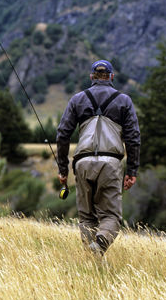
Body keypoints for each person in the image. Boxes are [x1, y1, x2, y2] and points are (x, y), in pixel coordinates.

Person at [57, 59, 140, 255]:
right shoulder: (124, 100)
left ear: (91, 77)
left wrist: (62, 169)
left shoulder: (77, 99)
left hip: (83, 164)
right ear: (111, 77)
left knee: (87, 217)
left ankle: (91, 259)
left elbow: (62, 134)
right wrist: (132, 170)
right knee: (111, 216)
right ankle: (100, 246)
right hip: (111, 164)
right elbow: (133, 138)